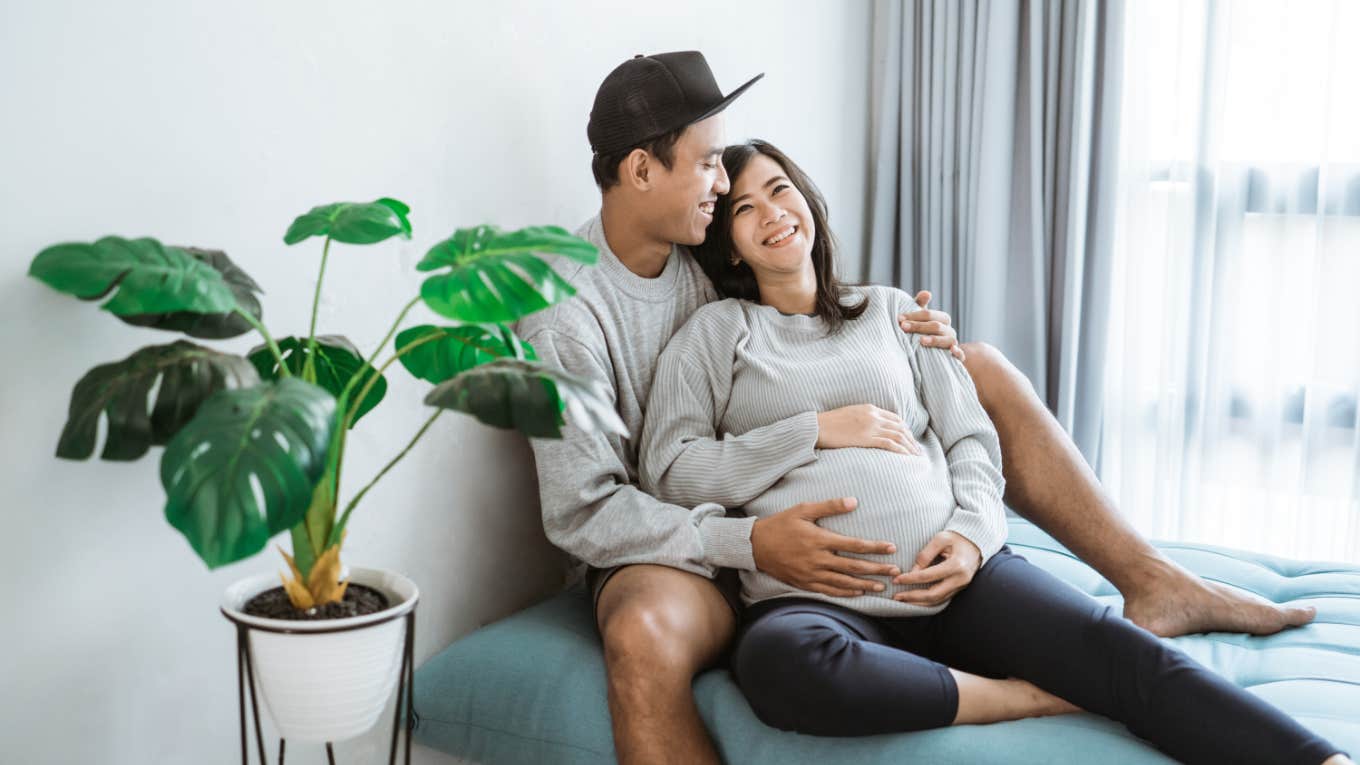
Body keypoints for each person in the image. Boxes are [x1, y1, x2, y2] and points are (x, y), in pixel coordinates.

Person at [518, 51, 1316, 765]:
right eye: (711, 172)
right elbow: (599, 505)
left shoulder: (715, 255)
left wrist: (918, 351)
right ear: (640, 171)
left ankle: (1160, 588)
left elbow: (811, 303)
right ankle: (1014, 692)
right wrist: (754, 537)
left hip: (926, 564)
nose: (728, 187)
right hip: (683, 549)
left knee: (981, 369)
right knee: (660, 635)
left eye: (753, 186)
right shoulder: (585, 314)